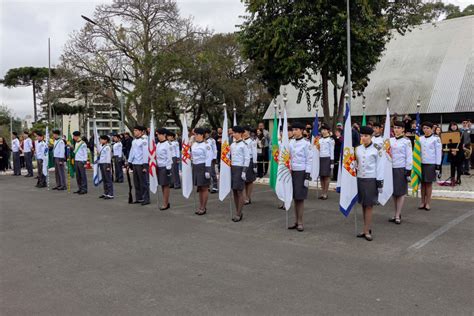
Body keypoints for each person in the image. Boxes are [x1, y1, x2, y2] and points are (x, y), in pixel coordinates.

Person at [355, 126, 383, 241]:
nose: (363, 138)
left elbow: (380, 166)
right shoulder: (357, 149)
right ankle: (365, 228)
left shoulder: (377, 148)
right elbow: (356, 164)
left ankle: (367, 230)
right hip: (360, 178)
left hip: (371, 179)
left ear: (371, 136)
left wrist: (380, 182)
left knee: (369, 205)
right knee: (363, 204)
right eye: (362, 136)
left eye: (366, 136)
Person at [288, 122, 312, 232]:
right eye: (293, 129)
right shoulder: (290, 142)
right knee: (294, 197)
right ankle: (296, 221)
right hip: (291, 172)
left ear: (302, 131)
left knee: (300, 198)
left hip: (301, 172)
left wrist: (307, 176)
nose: (294, 131)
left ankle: (300, 221)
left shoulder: (306, 143)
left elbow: (309, 160)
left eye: (297, 129)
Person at [389, 121, 412, 224]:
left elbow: (409, 156)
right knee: (394, 193)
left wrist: (408, 171)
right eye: (395, 127)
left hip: (401, 168)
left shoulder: (406, 141)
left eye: (399, 127)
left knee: (401, 193)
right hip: (391, 168)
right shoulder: (390, 140)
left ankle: (398, 215)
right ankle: (395, 213)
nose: (396, 129)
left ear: (403, 129)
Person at [419, 122, 442, 211]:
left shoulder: (436, 139)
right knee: (422, 184)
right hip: (421, 163)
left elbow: (438, 153)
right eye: (424, 128)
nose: (426, 130)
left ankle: (428, 202)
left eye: (428, 128)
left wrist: (437, 165)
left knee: (428, 184)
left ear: (432, 129)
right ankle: (422, 202)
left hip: (430, 163)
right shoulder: (420, 138)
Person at [191, 127, 213, 215]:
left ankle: (203, 207)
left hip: (203, 166)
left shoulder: (206, 145)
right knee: (199, 188)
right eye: (194, 134)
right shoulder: (194, 144)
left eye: (196, 134)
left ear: (201, 135)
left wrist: (207, 170)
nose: (195, 136)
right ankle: (200, 206)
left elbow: (208, 158)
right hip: (196, 166)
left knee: (204, 188)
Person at [230, 126, 250, 222]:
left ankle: (239, 213)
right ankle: (237, 210)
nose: (233, 134)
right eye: (233, 133)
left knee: (239, 191)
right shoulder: (232, 145)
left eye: (235, 133)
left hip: (240, 168)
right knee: (234, 190)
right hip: (233, 168)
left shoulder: (244, 145)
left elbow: (247, 158)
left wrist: (244, 171)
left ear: (240, 133)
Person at [127, 125, 150, 205]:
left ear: (141, 132)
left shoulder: (144, 140)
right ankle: (139, 198)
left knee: (143, 182)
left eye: (136, 130)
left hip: (141, 164)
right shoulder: (134, 141)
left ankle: (146, 198)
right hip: (135, 163)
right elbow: (132, 152)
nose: (135, 132)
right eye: (134, 130)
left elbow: (145, 153)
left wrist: (144, 165)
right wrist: (129, 162)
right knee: (136, 182)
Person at [156, 128, 173, 210]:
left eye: (159, 134)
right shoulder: (158, 144)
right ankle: (165, 201)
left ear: (164, 135)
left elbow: (169, 158)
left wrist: (168, 169)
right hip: (159, 166)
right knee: (162, 185)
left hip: (165, 167)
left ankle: (166, 203)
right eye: (157, 134)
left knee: (165, 185)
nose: (158, 136)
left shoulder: (168, 144)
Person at [318, 123, 334, 200]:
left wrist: (332, 162)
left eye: (325, 130)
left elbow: (332, 152)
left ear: (328, 131)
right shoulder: (319, 140)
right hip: (320, 159)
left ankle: (325, 193)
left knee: (326, 177)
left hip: (327, 158)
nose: (323, 131)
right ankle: (322, 192)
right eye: (322, 130)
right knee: (321, 176)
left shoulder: (331, 140)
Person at [243, 126, 257, 205]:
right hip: (243, 162)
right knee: (244, 180)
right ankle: (245, 196)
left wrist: (255, 165)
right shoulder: (241, 141)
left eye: (245, 131)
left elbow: (254, 153)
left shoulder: (252, 141)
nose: (243, 133)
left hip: (250, 161)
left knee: (249, 181)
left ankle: (248, 197)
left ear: (248, 132)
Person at [98, 135, 114, 199]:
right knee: (104, 179)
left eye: (101, 139)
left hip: (105, 164)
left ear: (105, 140)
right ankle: (106, 192)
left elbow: (108, 157)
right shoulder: (102, 146)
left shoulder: (107, 147)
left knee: (108, 179)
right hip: (102, 163)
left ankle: (110, 194)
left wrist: (108, 166)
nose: (100, 140)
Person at [205, 128, 218, 193]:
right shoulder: (202, 140)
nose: (206, 134)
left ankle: (215, 187)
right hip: (204, 159)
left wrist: (214, 158)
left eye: (207, 133)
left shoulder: (212, 140)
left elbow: (215, 149)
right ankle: (207, 186)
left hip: (211, 159)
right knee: (206, 174)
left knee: (212, 173)